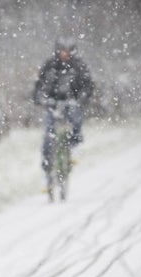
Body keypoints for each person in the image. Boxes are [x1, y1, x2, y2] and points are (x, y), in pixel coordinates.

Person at [32, 37, 94, 192]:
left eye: (68, 51)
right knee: (48, 137)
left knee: (75, 116)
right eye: (62, 51)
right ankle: (47, 174)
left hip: (72, 102)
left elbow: (88, 86)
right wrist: (42, 99)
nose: (65, 55)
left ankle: (74, 145)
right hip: (53, 104)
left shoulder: (79, 66)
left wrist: (80, 99)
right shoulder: (49, 66)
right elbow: (39, 87)